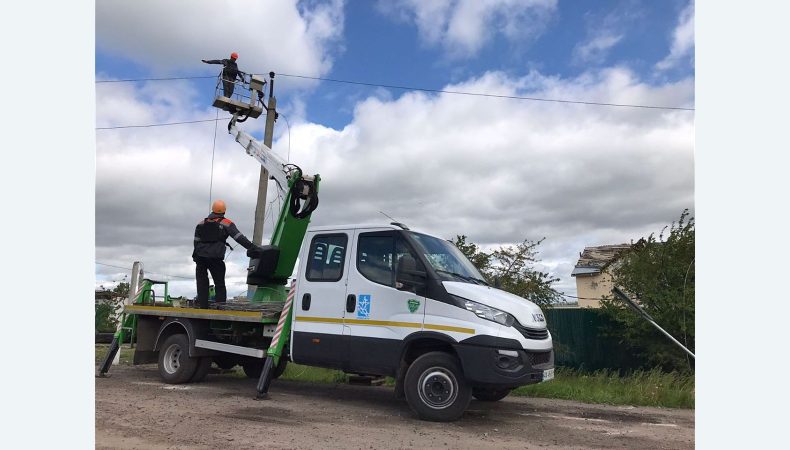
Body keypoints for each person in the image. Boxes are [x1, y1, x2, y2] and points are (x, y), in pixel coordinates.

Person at [193, 199, 255, 309]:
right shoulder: (226, 223)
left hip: (201, 257)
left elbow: (196, 242)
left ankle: (203, 307)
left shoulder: (201, 223)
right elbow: (238, 237)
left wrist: (195, 257)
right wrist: (252, 247)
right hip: (216, 258)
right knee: (219, 284)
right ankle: (220, 307)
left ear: (212, 209)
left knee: (202, 284)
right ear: (224, 211)